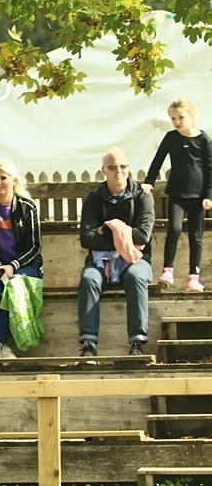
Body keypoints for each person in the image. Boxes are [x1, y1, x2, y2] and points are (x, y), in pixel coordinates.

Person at [78, 148, 155, 358]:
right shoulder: (93, 198)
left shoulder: (142, 195)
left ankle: (137, 344)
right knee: (88, 279)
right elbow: (86, 238)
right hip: (99, 261)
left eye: (122, 166)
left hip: (136, 260)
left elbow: (143, 237)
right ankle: (88, 345)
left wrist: (109, 229)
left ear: (128, 168)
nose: (118, 171)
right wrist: (123, 236)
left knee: (136, 276)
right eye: (112, 167)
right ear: (103, 170)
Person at [0, 161, 43, 359]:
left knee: (12, 286)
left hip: (25, 265)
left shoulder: (27, 207)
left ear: (14, 181)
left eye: (3, 177)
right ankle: (2, 348)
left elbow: (35, 246)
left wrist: (13, 266)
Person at [143, 98, 212, 292]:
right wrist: (149, 181)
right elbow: (157, 160)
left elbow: (210, 169)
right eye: (173, 118)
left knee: (196, 236)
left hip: (198, 197)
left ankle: (193, 277)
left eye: (181, 117)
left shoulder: (204, 140)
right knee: (173, 229)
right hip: (176, 194)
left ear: (192, 116)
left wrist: (209, 195)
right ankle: (168, 270)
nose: (177, 122)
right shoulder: (171, 138)